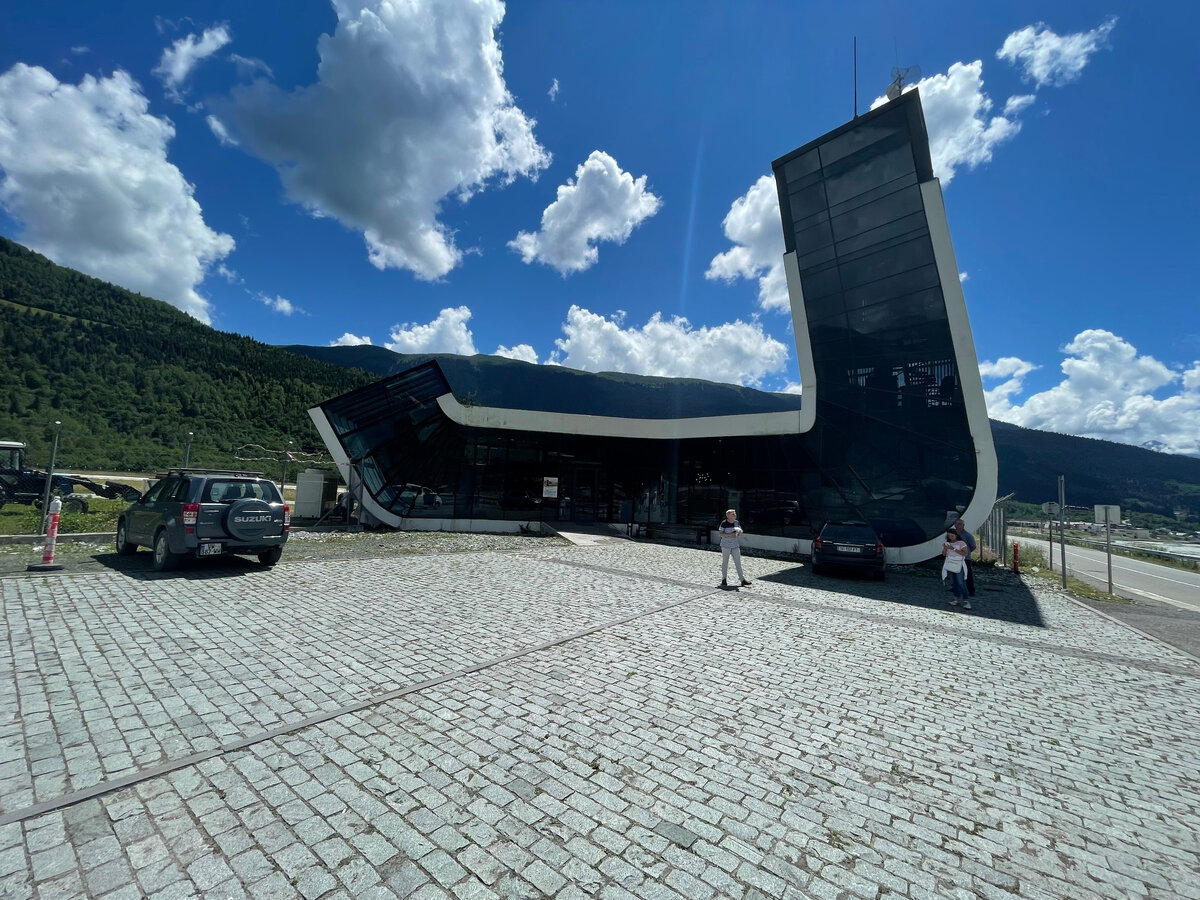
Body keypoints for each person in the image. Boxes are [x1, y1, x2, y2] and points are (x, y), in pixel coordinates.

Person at [718, 509, 751, 588]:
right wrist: (730, 535)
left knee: (738, 562)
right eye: (732, 514)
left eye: (735, 513)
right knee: (725, 562)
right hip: (725, 545)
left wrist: (740, 532)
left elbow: (740, 530)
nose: (734, 515)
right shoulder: (724, 523)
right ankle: (724, 579)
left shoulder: (736, 522)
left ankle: (742, 580)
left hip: (735, 545)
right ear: (728, 516)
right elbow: (720, 534)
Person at [942, 528, 970, 609]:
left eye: (952, 536)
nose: (951, 537)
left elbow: (965, 553)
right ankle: (956, 599)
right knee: (954, 583)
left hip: (959, 564)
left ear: (956, 535)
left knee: (961, 582)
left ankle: (966, 600)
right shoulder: (948, 543)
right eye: (949, 536)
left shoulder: (961, 543)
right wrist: (945, 548)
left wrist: (953, 548)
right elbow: (944, 554)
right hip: (950, 564)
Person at [954, 517, 976, 597]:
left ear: (963, 525)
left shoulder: (968, 536)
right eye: (956, 524)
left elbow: (973, 546)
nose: (957, 526)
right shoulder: (953, 535)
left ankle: (971, 590)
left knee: (967, 575)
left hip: (965, 558)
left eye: (959, 524)